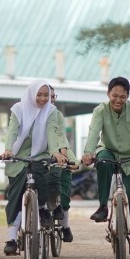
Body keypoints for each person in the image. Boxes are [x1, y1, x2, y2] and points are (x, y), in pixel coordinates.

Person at [81, 76, 130, 256]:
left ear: (128, 96)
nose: (118, 100)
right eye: (114, 96)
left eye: (122, 97)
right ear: (108, 94)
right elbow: (94, 132)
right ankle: (102, 207)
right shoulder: (100, 110)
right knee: (104, 162)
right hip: (107, 150)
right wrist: (88, 152)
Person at [0, 80, 68, 256]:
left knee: (40, 176)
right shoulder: (18, 109)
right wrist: (8, 149)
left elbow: (52, 133)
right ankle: (12, 239)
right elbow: (12, 131)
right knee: (14, 196)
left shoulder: (51, 111)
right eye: (39, 94)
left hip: (40, 156)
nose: (43, 99)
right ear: (32, 94)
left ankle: (44, 208)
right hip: (18, 157)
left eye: (46, 95)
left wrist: (55, 152)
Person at [48, 87, 78, 243]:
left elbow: (62, 139)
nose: (51, 99)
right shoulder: (32, 115)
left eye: (53, 96)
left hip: (61, 155)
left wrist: (70, 158)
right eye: (48, 96)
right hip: (42, 158)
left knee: (64, 192)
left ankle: (64, 226)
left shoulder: (58, 115)